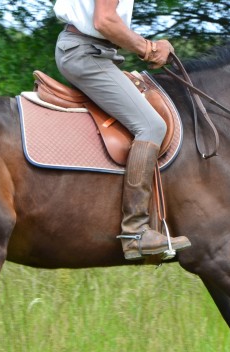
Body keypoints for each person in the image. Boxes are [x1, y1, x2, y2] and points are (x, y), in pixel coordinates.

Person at [53, 0, 191, 261]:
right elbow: (104, 21)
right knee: (151, 126)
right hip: (86, 53)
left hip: (96, 52)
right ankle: (136, 232)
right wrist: (149, 49)